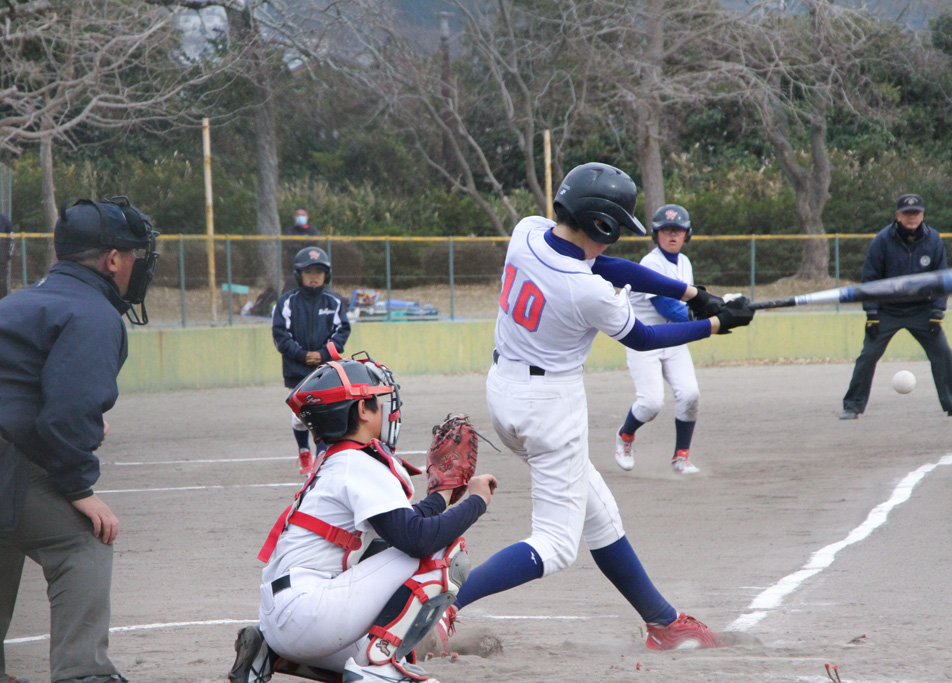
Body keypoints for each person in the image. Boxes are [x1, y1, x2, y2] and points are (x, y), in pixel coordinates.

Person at [438, 162, 755, 654]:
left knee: (600, 515)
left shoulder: (527, 232)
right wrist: (716, 324)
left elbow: (605, 264)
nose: (614, 240)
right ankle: (442, 605)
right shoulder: (585, 291)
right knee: (556, 544)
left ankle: (664, 623)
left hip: (504, 390)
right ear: (601, 224)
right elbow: (643, 336)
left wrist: (694, 294)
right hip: (550, 410)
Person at [0, 196, 159, 683]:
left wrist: (74, 426)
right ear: (112, 260)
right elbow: (66, 415)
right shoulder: (93, 312)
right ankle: (84, 674)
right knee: (82, 540)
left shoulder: (22, 299)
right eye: (132, 254)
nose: (136, 264)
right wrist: (79, 487)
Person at [228, 353, 498, 683]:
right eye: (377, 401)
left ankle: (268, 652)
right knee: (445, 553)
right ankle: (377, 666)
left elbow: (401, 527)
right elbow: (418, 540)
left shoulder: (338, 461)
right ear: (361, 410)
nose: (385, 408)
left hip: (283, 619)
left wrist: (442, 496)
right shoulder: (360, 463)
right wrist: (477, 501)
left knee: (398, 641)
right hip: (308, 614)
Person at [839, 193, 952, 419]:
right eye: (907, 213)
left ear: (922, 215)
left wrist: (937, 312)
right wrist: (872, 313)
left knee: (943, 354)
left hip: (922, 310)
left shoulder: (933, 240)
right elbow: (870, 280)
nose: (912, 217)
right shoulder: (882, 240)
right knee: (868, 356)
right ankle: (852, 406)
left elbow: (941, 279)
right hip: (887, 310)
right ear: (897, 215)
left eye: (916, 213)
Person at [614, 204, 705, 475]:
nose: (672, 235)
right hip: (644, 339)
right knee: (651, 403)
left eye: (678, 230)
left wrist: (717, 308)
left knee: (690, 395)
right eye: (666, 230)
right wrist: (710, 319)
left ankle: (681, 457)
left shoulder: (684, 262)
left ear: (687, 234)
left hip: (673, 339)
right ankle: (625, 435)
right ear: (656, 235)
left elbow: (689, 302)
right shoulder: (650, 263)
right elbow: (667, 307)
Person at [272, 246, 351, 474]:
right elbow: (280, 335)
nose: (314, 276)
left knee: (323, 413)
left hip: (325, 368)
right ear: (299, 275)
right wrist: (302, 355)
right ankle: (304, 451)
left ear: (327, 275)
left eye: (319, 272)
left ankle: (321, 455)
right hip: (297, 369)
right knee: (301, 417)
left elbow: (342, 332)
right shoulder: (287, 302)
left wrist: (323, 354)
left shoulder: (334, 302)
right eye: (308, 272)